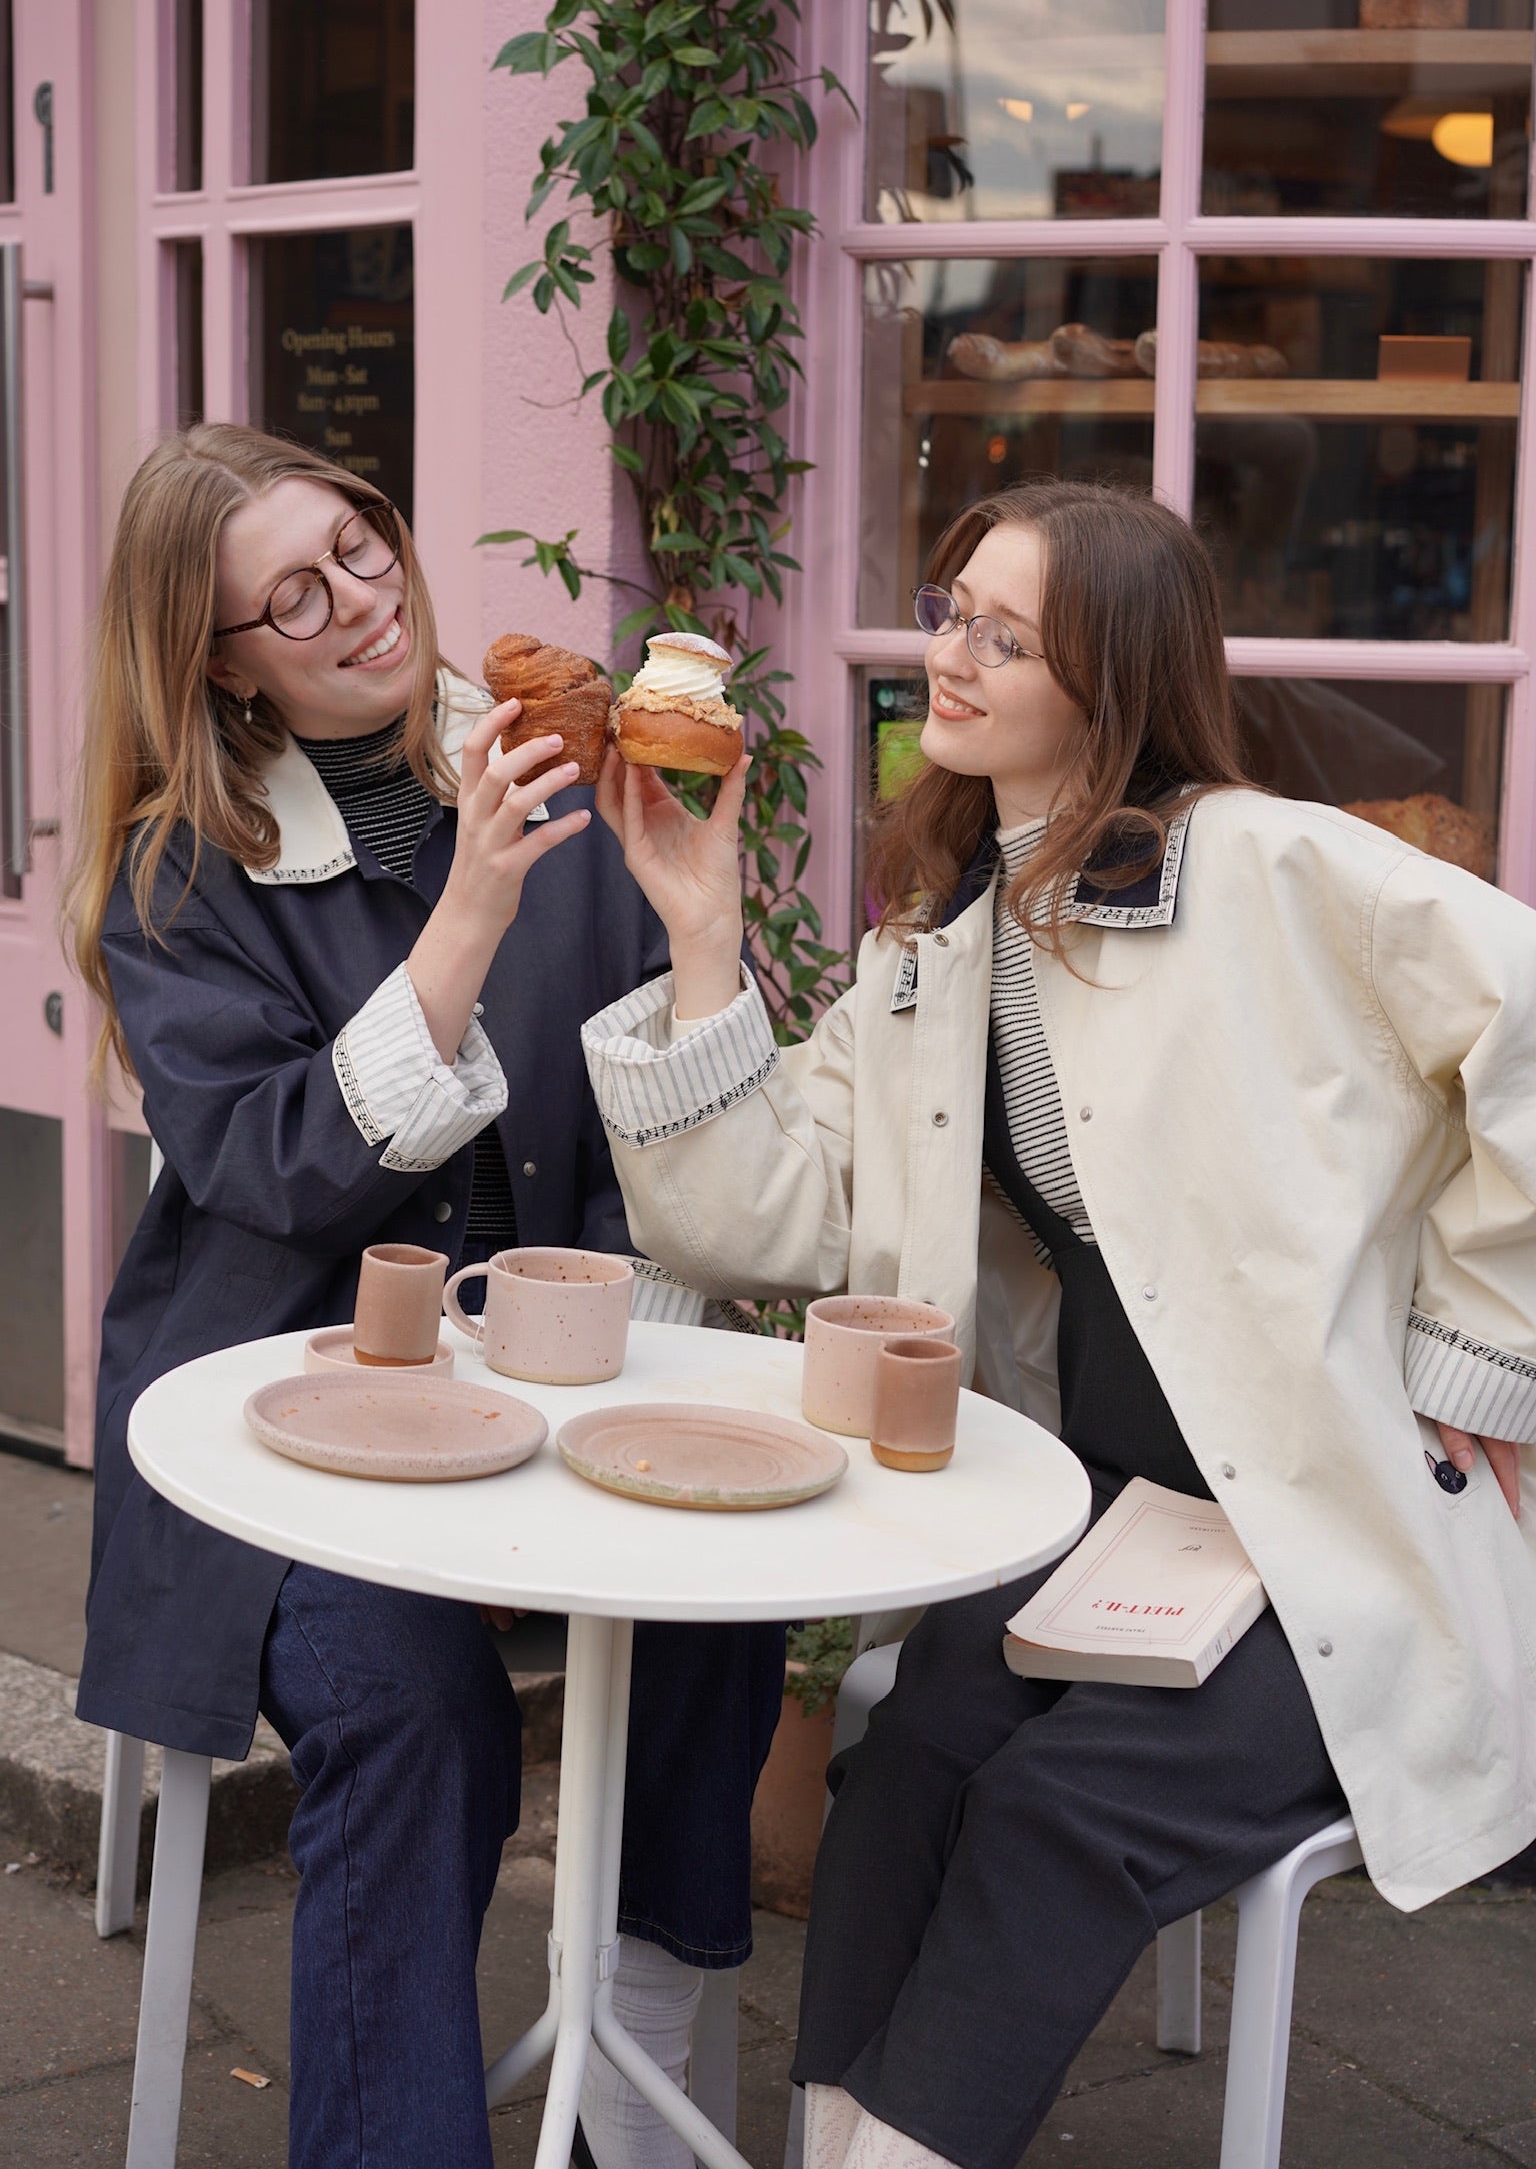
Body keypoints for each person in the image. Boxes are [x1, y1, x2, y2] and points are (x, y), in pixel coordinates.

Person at [580, 478, 1536, 2169]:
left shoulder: (1266, 866)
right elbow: (767, 1218)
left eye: (1006, 638)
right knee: (912, 1758)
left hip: (1328, 1519)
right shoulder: (940, 945)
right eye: (953, 610)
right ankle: (841, 2147)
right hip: (1103, 1511)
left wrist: (1484, 1344)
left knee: (1056, 1810)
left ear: (1117, 679)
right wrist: (704, 930)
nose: (949, 655)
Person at [68, 424, 784, 2169]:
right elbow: (283, 1173)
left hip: (563, 1375)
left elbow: (656, 1129)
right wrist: (468, 903)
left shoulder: (569, 770)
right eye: (286, 600)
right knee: (407, 1703)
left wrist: (637, 1360)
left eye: (361, 551)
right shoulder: (179, 877)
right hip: (276, 1420)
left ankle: (637, 2041)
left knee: (722, 1600)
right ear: (215, 665)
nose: (355, 610)